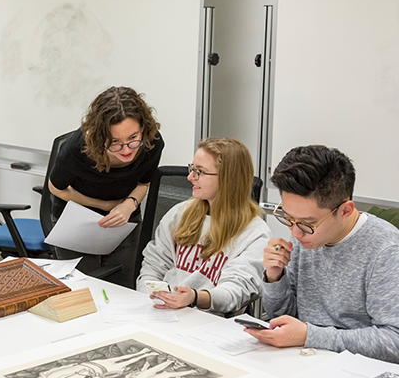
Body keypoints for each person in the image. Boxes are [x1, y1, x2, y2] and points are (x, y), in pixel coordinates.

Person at [245, 145, 399, 363]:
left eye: (308, 223)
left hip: (355, 370)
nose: (295, 232)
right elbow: (284, 317)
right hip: (304, 359)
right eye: (288, 218)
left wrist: (310, 335)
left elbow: (394, 341)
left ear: (345, 210)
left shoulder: (386, 251)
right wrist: (275, 276)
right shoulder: (304, 236)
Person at [137, 138, 271, 314]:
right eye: (192, 169)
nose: (190, 177)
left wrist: (194, 298)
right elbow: (154, 265)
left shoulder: (255, 233)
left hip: (210, 322)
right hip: (162, 313)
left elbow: (234, 291)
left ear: (227, 178)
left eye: (200, 172)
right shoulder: (180, 213)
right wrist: (149, 300)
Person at [48, 86, 164, 288]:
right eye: (115, 142)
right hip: (77, 218)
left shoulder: (151, 144)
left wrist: (128, 206)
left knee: (122, 287)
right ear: (100, 136)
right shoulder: (78, 148)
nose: (126, 149)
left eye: (133, 138)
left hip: (124, 218)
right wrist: (103, 205)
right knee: (82, 289)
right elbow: (56, 187)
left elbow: (143, 183)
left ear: (143, 128)